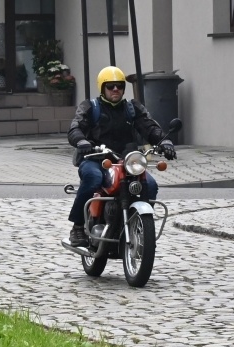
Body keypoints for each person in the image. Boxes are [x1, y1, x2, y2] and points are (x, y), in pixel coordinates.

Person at [65, 66, 175, 248]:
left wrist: (165, 141)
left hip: (126, 161)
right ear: (102, 88)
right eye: (110, 86)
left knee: (151, 184)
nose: (115, 89)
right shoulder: (90, 107)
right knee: (94, 178)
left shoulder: (133, 108)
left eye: (119, 86)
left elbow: (149, 126)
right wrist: (81, 142)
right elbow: (75, 128)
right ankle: (77, 226)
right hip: (96, 159)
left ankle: (139, 224)